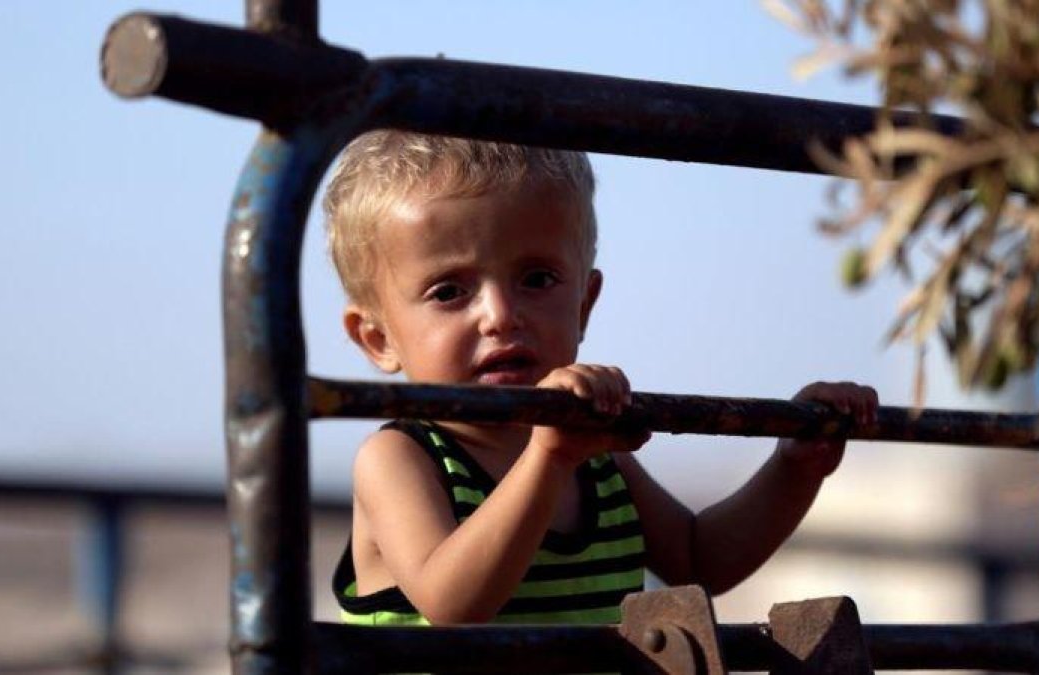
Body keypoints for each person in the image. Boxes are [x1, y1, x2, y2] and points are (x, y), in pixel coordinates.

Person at [327, 130, 878, 626]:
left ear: (584, 305)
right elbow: (453, 603)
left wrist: (794, 468)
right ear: (378, 339)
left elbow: (699, 561)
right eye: (449, 291)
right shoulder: (401, 458)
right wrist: (549, 458)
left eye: (537, 278)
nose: (499, 315)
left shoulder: (592, 455)